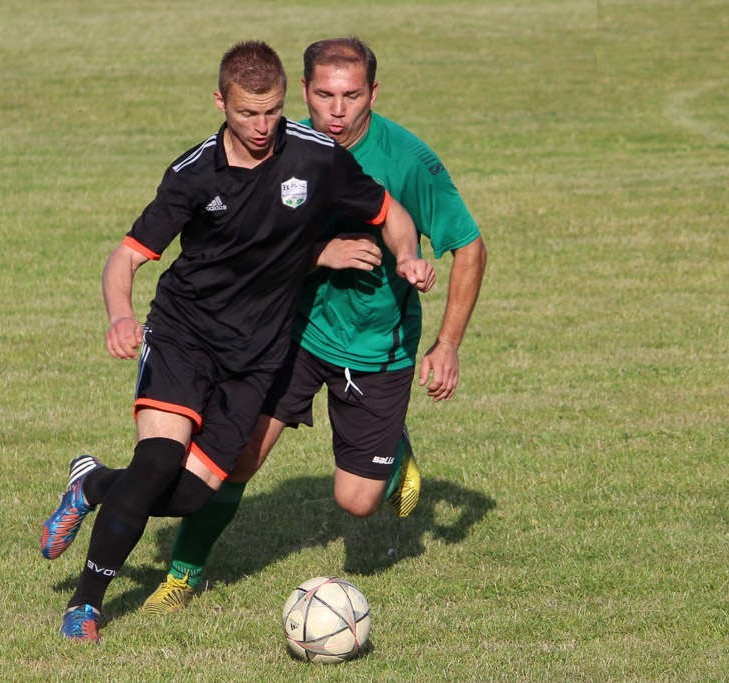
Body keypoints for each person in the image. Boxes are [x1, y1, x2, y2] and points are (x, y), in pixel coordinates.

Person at [38, 40, 434, 643]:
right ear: (221, 102)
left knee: (193, 496)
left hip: (256, 359)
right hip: (183, 336)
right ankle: (87, 604)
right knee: (156, 464)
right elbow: (124, 258)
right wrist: (120, 316)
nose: (262, 126)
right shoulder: (193, 174)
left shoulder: (316, 157)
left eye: (273, 111)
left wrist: (406, 256)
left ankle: (91, 483)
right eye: (248, 113)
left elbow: (390, 213)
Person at [142, 37, 487, 615]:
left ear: (373, 93)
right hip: (291, 332)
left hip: (376, 346)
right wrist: (321, 252)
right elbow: (238, 252)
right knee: (239, 458)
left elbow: (469, 248)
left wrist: (446, 343)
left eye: (351, 96)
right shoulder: (277, 147)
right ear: (303, 91)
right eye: (324, 95)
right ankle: (184, 574)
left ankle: (392, 446)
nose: (336, 109)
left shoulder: (409, 161)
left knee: (356, 503)